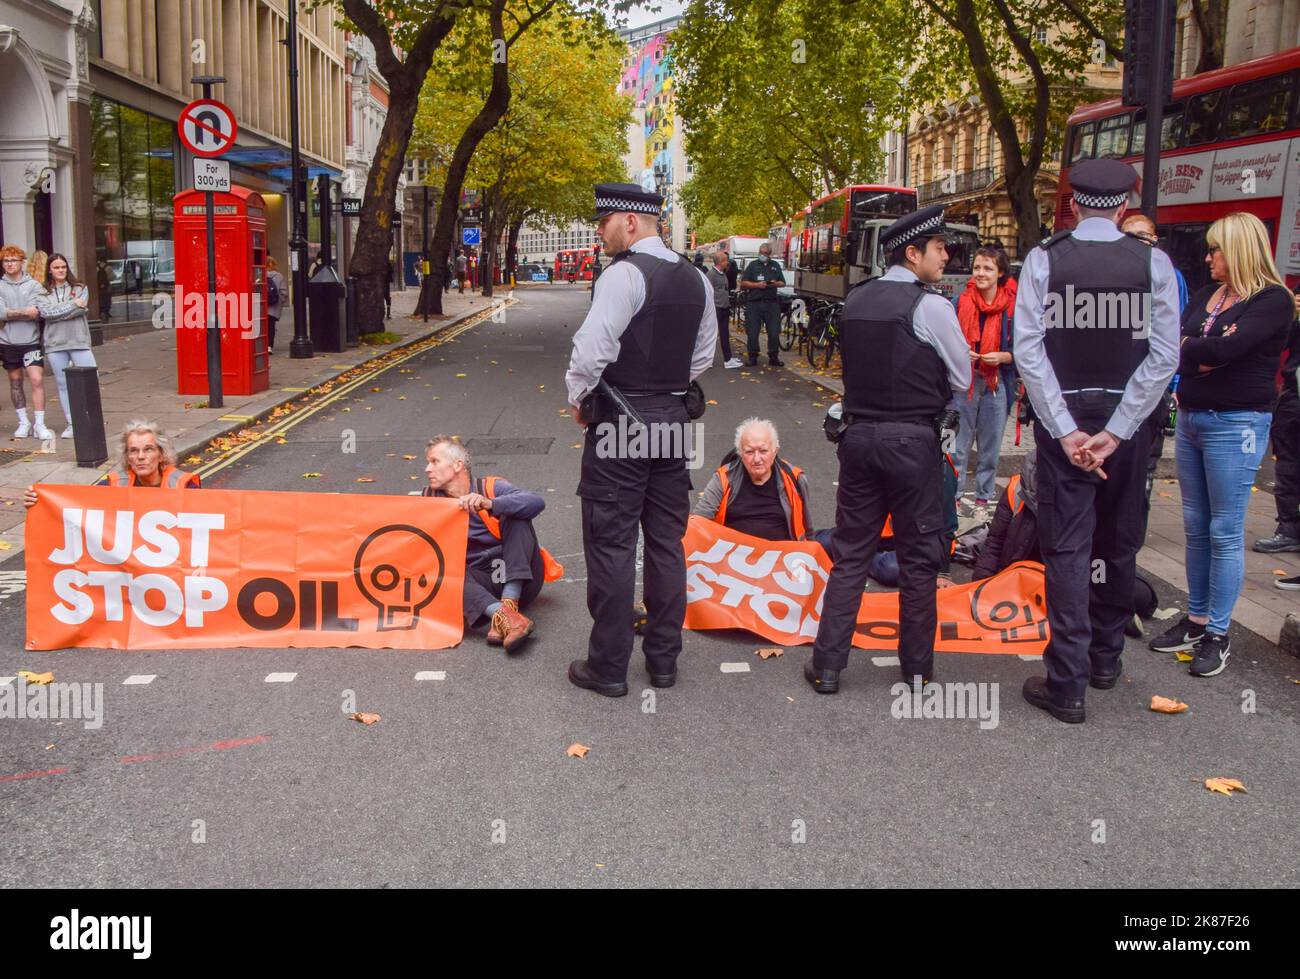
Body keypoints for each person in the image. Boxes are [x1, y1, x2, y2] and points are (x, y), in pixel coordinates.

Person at [1014, 158, 1180, 722]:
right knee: (1118, 542)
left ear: (1075, 203)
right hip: (1127, 424)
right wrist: (1116, 431)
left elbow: (1029, 351)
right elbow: (1164, 357)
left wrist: (1065, 431)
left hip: (1067, 420)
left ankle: (1068, 681)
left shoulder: (1044, 259)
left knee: (1067, 550)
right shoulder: (1152, 262)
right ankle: (1106, 659)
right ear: (1126, 205)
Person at [805, 204, 971, 695]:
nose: (946, 256)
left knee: (852, 553)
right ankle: (917, 671)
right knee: (919, 557)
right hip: (911, 441)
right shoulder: (931, 306)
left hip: (858, 438)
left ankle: (828, 667)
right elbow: (962, 376)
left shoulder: (856, 300)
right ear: (913, 252)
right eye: (939, 248)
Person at [565, 182, 716, 697]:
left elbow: (591, 352)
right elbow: (703, 355)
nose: (600, 232)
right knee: (666, 545)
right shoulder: (696, 278)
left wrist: (579, 401)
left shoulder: (623, 274)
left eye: (604, 223)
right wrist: (667, 388)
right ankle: (663, 662)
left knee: (611, 544)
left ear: (630, 221)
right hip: (672, 423)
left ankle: (608, 668)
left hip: (619, 422)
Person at [1148, 212, 1294, 675]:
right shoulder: (1211, 294)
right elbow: (1177, 345)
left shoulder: (1272, 300)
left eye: (1215, 249)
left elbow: (1220, 351)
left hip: (1236, 423)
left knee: (1225, 529)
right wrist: (1200, 353)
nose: (1208, 257)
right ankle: (1195, 618)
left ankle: (1218, 631)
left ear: (1239, 251)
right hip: (1192, 418)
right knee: (1195, 524)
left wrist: (1198, 350)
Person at [422, 435, 556, 652]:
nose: (428, 469)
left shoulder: (491, 487)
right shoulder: (429, 498)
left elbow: (536, 502)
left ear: (457, 465)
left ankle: (510, 601)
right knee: (437, 567)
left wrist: (491, 504)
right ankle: (506, 617)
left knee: (516, 514)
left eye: (434, 461)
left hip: (521, 577)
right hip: (481, 581)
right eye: (428, 462)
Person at [952, 246, 1016, 513]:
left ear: (1000, 272)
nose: (980, 273)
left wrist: (1004, 357)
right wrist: (960, 352)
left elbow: (1027, 348)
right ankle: (952, 498)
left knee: (989, 447)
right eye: (977, 267)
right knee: (958, 446)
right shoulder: (960, 302)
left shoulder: (1012, 307)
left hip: (996, 382)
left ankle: (982, 499)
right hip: (963, 381)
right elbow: (946, 342)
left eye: (988, 268)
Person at [26, 421, 200, 507]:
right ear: (127, 456)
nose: (140, 456)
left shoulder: (185, 484)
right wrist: (40, 502)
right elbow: (76, 507)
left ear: (161, 455)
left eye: (148, 449)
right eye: (133, 450)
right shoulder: (113, 484)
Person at [694, 418, 814, 540]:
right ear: (740, 453)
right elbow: (698, 521)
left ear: (775, 451)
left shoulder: (794, 478)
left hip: (780, 554)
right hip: (733, 554)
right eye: (749, 452)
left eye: (763, 451)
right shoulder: (723, 478)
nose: (757, 459)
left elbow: (807, 528)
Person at [1255, 285, 1300, 557]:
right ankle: (1288, 529)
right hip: (1294, 394)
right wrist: (1291, 317)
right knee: (1288, 463)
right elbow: (1282, 342)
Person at [37, 254, 96, 439]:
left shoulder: (80, 287)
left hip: (79, 340)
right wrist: (72, 305)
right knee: (63, 385)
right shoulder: (42, 291)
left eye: (63, 267)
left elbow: (81, 309)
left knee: (90, 380)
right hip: (55, 343)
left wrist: (60, 311)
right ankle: (72, 423)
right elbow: (46, 313)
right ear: (50, 270)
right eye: (56, 267)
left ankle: (91, 419)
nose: (61, 270)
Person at [0, 244, 52, 439]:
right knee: (15, 382)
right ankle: (23, 422)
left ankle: (40, 424)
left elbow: (38, 311)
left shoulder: (34, 285)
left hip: (30, 342)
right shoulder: (0, 286)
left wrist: (9, 313)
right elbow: (0, 313)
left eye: (13, 260)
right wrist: (23, 312)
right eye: (6, 260)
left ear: (22, 262)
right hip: (7, 343)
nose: (10, 264)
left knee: (37, 380)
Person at [740, 242, 784, 367]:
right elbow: (743, 283)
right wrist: (756, 285)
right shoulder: (753, 265)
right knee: (752, 332)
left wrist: (775, 283)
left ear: (769, 254)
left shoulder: (775, 266)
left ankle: (773, 356)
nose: (762, 255)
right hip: (755, 303)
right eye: (761, 252)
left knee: (774, 331)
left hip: (771, 303)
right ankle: (752, 356)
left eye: (765, 253)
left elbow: (782, 282)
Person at [707, 252, 743, 369]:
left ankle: (728, 359)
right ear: (721, 262)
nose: (728, 262)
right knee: (711, 335)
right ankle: (707, 360)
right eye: (726, 260)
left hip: (724, 307)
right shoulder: (711, 274)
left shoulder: (722, 274)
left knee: (724, 334)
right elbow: (708, 291)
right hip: (716, 308)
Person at [265, 257, 286, 354]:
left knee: (261, 327)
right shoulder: (279, 276)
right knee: (271, 327)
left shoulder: (258, 274)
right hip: (273, 307)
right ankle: (269, 346)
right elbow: (284, 293)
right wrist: (279, 302)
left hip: (261, 306)